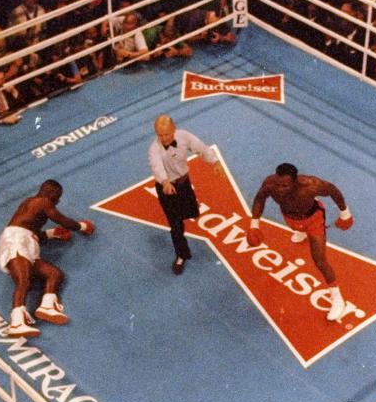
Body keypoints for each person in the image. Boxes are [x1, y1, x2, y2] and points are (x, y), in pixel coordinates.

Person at [248, 163, 353, 321]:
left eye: (285, 185)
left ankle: (338, 299)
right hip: (291, 219)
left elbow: (332, 190)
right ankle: (302, 232)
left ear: (295, 182)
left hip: (313, 219)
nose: (280, 189)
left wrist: (345, 213)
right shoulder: (270, 184)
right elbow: (259, 198)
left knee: (319, 260)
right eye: (278, 184)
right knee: (296, 229)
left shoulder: (310, 186)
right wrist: (254, 224)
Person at [0, 179, 94, 337]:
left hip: (25, 242)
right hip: (15, 242)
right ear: (51, 193)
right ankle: (16, 322)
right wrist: (83, 226)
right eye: (58, 196)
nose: (58, 200)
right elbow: (64, 221)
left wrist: (52, 233)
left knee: (54, 274)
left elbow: (30, 231)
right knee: (24, 281)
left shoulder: (30, 206)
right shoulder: (42, 202)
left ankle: (47, 306)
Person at [146, 115, 223, 275]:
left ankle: (187, 216)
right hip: (167, 189)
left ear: (174, 129)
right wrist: (165, 182)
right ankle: (181, 254)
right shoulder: (154, 150)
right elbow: (156, 166)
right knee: (176, 226)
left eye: (166, 134)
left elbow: (201, 148)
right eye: (160, 135)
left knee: (192, 211)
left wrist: (215, 162)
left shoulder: (184, 136)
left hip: (184, 183)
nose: (164, 138)